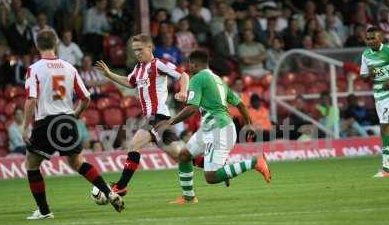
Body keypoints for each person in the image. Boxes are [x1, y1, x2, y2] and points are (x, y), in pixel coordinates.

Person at [23, 29, 123, 219]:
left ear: (37, 46)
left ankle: (44, 211)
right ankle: (109, 192)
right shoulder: (69, 67)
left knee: (32, 164)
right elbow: (86, 98)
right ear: (56, 44)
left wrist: (25, 127)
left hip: (46, 121)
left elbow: (31, 100)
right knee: (77, 162)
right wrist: (74, 115)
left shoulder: (34, 69)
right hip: (66, 120)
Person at [156, 50, 271, 204]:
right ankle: (189, 197)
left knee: (211, 177)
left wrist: (170, 122)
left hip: (220, 130)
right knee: (184, 156)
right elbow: (240, 103)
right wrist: (249, 124)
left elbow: (192, 108)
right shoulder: (218, 80)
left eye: (189, 63)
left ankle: (254, 162)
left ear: (196, 64)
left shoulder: (198, 78)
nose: (188, 66)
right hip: (210, 129)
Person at [95, 33, 189, 197]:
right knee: (174, 154)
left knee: (143, 147)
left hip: (159, 117)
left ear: (149, 47)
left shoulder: (158, 64)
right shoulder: (138, 69)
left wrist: (182, 90)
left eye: (139, 49)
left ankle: (121, 186)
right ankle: (215, 166)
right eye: (134, 50)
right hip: (152, 118)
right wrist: (109, 74)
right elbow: (129, 82)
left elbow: (183, 75)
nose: (136, 53)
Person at [360, 26, 389, 177]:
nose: (370, 41)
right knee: (385, 128)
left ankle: (387, 168)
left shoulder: (388, 51)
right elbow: (364, 77)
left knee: (386, 128)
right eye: (368, 38)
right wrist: (370, 75)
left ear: (381, 37)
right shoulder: (366, 55)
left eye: (373, 38)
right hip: (379, 95)